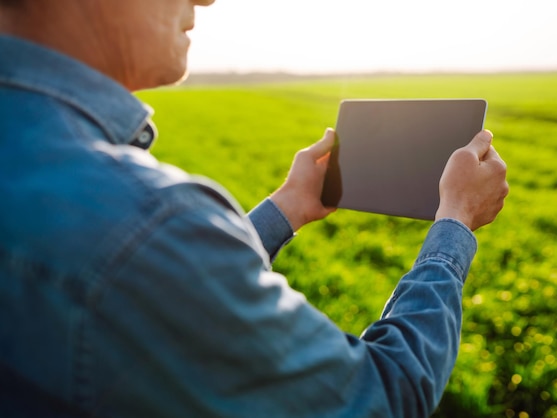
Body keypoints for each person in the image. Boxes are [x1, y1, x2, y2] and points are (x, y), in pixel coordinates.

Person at [0, 0, 508, 417]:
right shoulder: (144, 221)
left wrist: (288, 206)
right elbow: (384, 397)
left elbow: (148, 287)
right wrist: (454, 226)